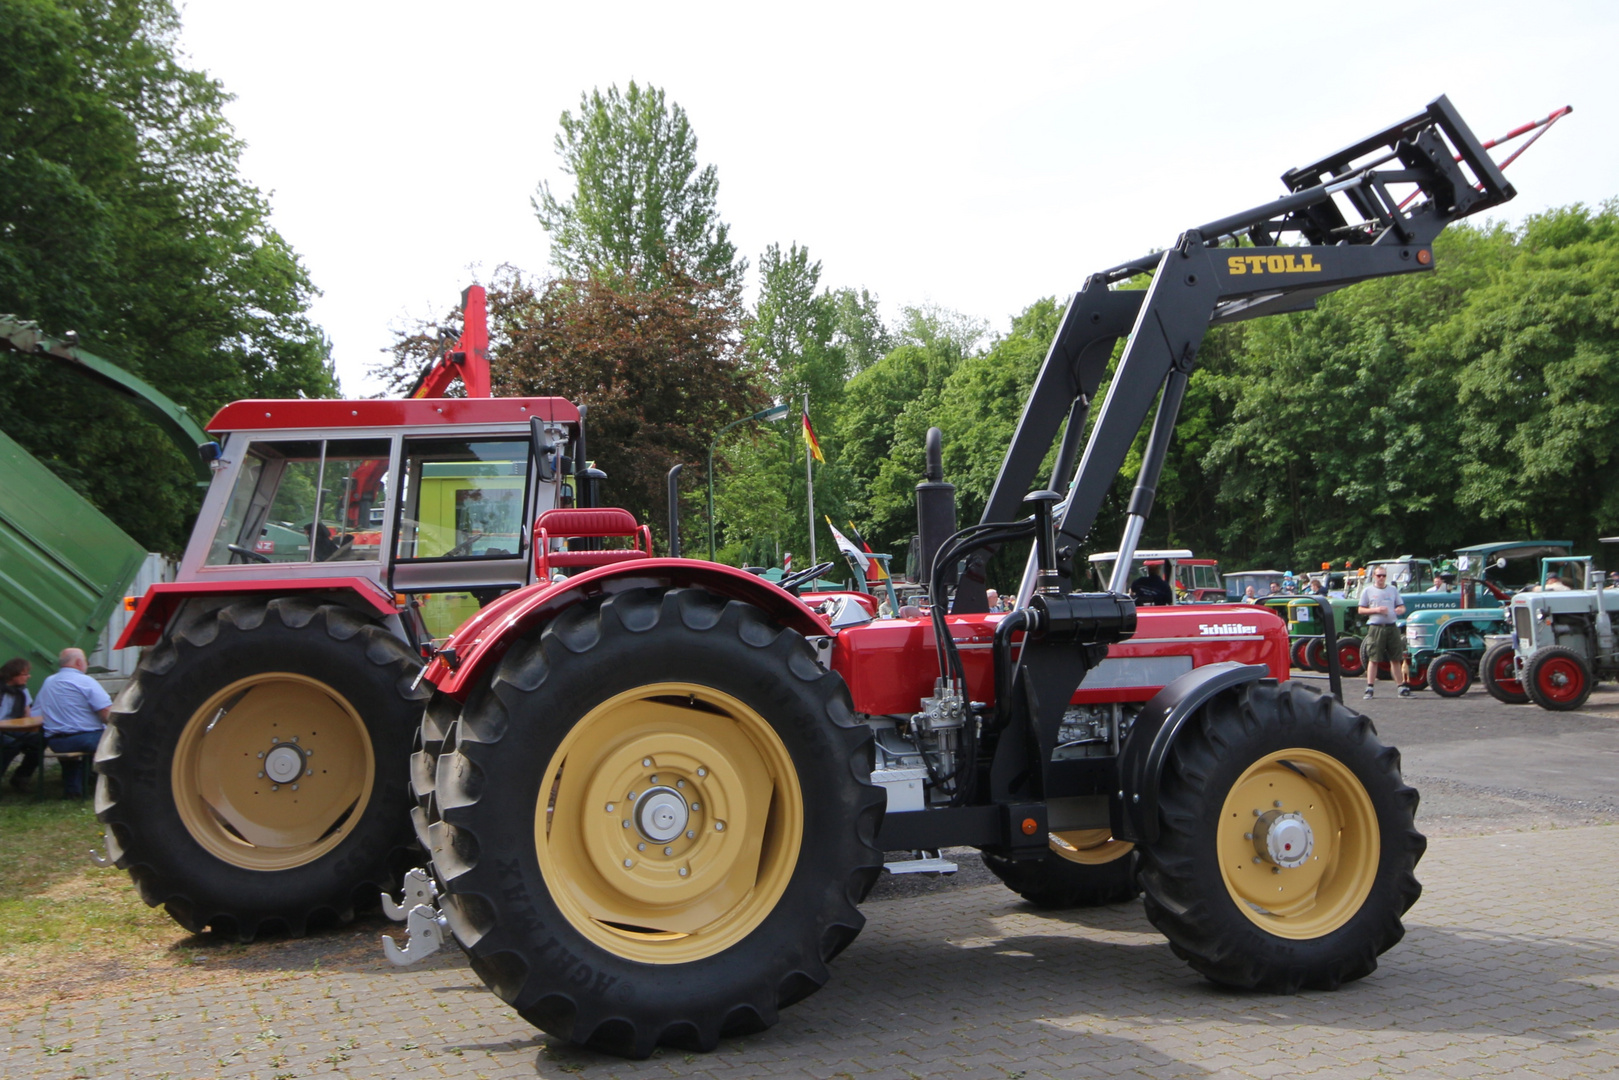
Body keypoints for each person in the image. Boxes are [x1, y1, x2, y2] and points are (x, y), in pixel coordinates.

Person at [36, 647, 111, 798]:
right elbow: (106, 714)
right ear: (78, 662)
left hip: (56, 741)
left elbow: (37, 711)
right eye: (85, 661)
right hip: (84, 738)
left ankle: (73, 789)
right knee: (117, 740)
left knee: (81, 744)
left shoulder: (48, 682)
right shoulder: (86, 681)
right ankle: (112, 787)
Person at [1357, 567, 1409, 699]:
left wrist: (1400, 610)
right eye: (1379, 575)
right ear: (1374, 576)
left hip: (1392, 626)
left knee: (1396, 658)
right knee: (1374, 658)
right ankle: (1369, 687)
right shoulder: (1368, 590)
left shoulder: (1393, 590)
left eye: (1384, 576)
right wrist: (1377, 610)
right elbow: (1361, 610)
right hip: (1376, 627)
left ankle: (1400, 687)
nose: (1381, 578)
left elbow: (1402, 606)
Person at [0, 657, 44, 793]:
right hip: (3, 730)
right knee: (11, 744)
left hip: (13, 728)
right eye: (25, 674)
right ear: (13, 675)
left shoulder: (22, 690)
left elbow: (27, 713)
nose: (28, 677)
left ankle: (21, 777)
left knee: (40, 741)